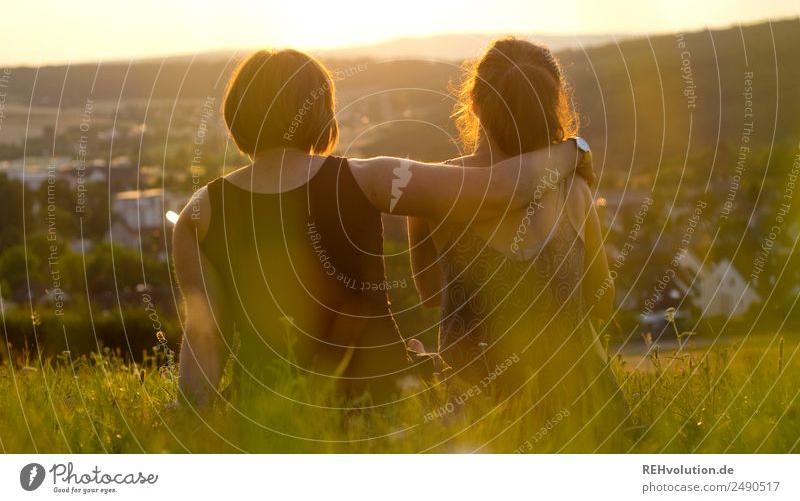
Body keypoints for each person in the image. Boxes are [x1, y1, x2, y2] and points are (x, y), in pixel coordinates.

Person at [171, 48, 589, 409]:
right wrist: (575, 150)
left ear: (236, 115)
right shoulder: (367, 179)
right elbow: (500, 189)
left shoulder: (199, 214)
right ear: (320, 113)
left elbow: (204, 337)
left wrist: (192, 415)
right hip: (382, 398)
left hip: (272, 406)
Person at [408, 38, 628, 450]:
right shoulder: (576, 191)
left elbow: (430, 296)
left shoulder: (435, 195)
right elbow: (601, 301)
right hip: (583, 412)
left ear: (473, 102)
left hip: (478, 419)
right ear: (551, 107)